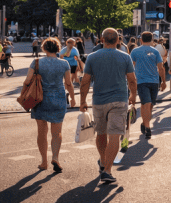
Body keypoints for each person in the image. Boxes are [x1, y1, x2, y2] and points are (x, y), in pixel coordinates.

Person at [80, 28, 137, 185]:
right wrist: (133, 95)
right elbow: (132, 79)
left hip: (99, 100)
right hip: (119, 100)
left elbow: (85, 81)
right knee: (115, 135)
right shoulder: (125, 57)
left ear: (102, 40)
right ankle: (108, 170)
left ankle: (103, 161)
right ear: (118, 40)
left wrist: (82, 101)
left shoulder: (92, 57)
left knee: (101, 133)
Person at [25, 37, 76, 172]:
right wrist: (72, 98)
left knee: (42, 132)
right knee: (57, 132)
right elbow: (68, 83)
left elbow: (27, 80)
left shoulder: (36, 63)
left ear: (44, 48)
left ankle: (44, 162)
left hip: (40, 100)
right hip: (59, 99)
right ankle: (55, 157)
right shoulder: (64, 63)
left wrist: (24, 94)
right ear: (58, 49)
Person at [130, 32, 165, 139]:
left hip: (153, 82)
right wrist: (163, 81)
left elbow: (131, 68)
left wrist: (163, 81)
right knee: (147, 103)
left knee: (149, 105)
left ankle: (144, 123)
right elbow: (161, 68)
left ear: (141, 39)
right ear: (152, 40)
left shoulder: (135, 51)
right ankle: (148, 128)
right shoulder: (154, 51)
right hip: (142, 82)